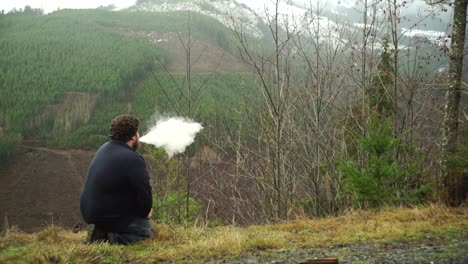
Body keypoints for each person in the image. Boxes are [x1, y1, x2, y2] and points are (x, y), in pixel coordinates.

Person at [80, 114, 153, 244]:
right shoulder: (133, 158)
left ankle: (101, 230)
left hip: (90, 214)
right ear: (132, 136)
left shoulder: (103, 148)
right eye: (137, 132)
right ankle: (109, 238)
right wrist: (145, 213)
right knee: (147, 229)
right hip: (107, 217)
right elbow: (145, 197)